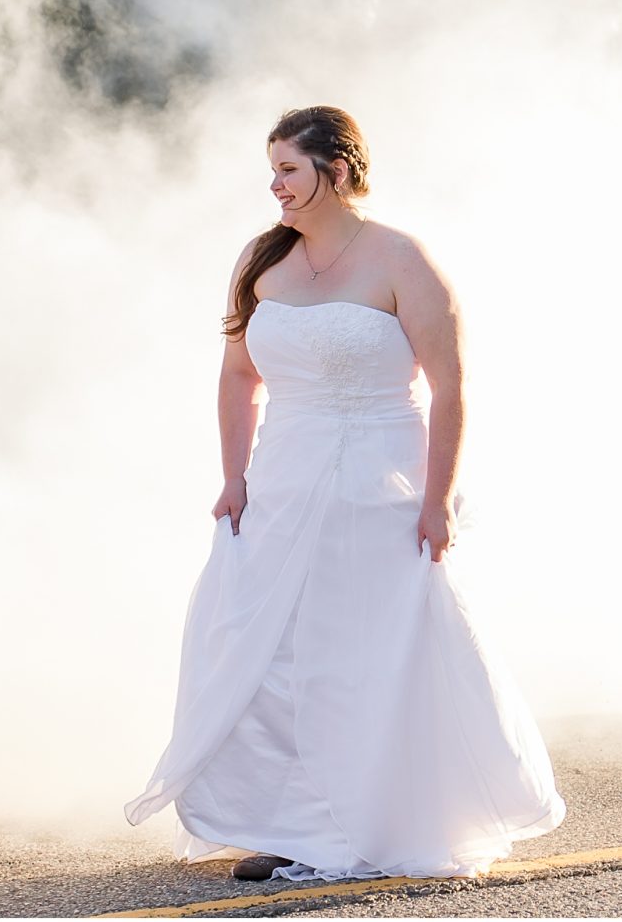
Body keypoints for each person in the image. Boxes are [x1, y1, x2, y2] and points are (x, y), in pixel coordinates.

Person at [123, 104, 567, 883]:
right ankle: (290, 823)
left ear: (337, 166)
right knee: (273, 656)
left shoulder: (403, 259)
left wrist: (438, 500)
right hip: (282, 484)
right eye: (273, 169)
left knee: (361, 657)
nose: (275, 185)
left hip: (378, 481)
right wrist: (234, 479)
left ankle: (373, 817)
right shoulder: (261, 261)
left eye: (288, 168)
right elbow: (237, 378)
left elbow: (451, 386)